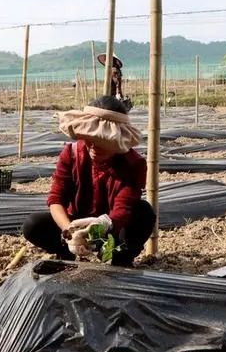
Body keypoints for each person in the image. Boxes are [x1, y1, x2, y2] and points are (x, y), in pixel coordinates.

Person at [22, 95, 156, 267]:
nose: (93, 146)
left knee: (144, 213)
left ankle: (120, 259)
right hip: (77, 222)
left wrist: (101, 226)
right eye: (90, 139)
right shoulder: (71, 154)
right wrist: (69, 231)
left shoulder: (133, 164)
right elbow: (56, 199)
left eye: (102, 141)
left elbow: (124, 207)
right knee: (33, 225)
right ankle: (66, 253)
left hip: (112, 226)